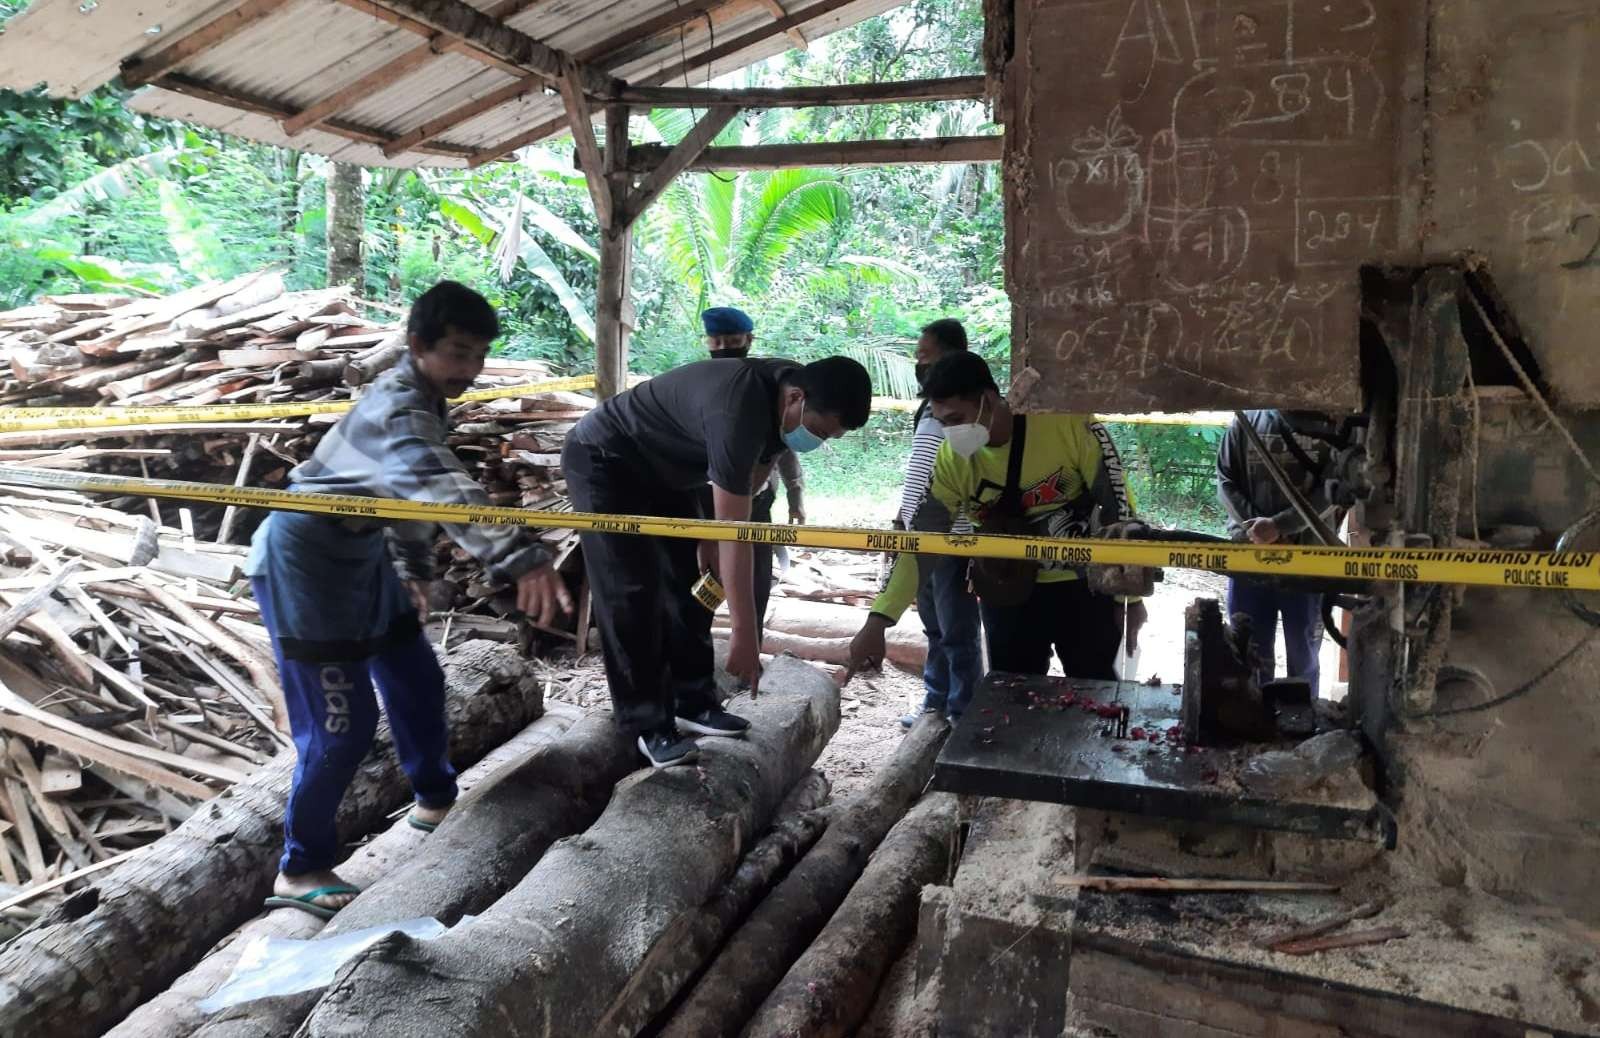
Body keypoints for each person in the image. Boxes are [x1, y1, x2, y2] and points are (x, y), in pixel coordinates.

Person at [247, 281, 571, 919]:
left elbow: (405, 495)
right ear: (418, 345)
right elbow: (440, 485)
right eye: (458, 353)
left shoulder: (423, 399)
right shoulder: (399, 406)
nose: (471, 370)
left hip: (363, 558)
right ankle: (301, 864)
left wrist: (413, 566)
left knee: (418, 679)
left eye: (479, 356)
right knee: (343, 729)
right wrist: (521, 558)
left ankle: (433, 802)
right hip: (305, 567)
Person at [564, 355, 872, 768]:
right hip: (606, 459)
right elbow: (738, 533)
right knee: (630, 591)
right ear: (796, 398)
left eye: (828, 437)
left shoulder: (789, 395)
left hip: (669, 472)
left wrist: (707, 534)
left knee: (691, 583)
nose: (818, 441)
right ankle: (646, 724)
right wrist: (745, 633)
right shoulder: (738, 409)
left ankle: (692, 701)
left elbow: (748, 487)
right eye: (818, 431)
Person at [848, 352, 1145, 684]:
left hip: (1082, 589)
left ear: (988, 400)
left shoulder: (1068, 425)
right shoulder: (951, 461)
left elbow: (1119, 509)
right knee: (1010, 697)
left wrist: (1128, 600)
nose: (949, 432)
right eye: (942, 422)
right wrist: (878, 621)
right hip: (1006, 592)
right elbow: (921, 543)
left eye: (956, 418)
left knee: (1095, 691)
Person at [1216, 410, 1348, 695]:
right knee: (1248, 647)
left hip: (1306, 562)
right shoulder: (1244, 422)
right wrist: (1258, 529)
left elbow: (1333, 488)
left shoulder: (1332, 424)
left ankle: (1302, 717)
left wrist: (1280, 526)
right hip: (1250, 559)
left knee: (1303, 650)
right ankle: (1253, 715)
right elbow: (1226, 481)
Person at [896, 318, 983, 727]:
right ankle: (936, 702)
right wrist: (903, 521)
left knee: (958, 632)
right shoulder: (928, 408)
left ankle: (964, 712)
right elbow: (919, 470)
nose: (920, 364)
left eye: (925, 356)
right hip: (920, 533)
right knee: (933, 627)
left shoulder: (968, 414)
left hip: (955, 540)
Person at [698, 306, 807, 631]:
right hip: (705, 494)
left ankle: (751, 640)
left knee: (756, 571)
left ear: (749, 339)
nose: (723, 349)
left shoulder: (767, 386)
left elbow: (783, 445)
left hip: (757, 496)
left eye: (731, 341)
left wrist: (795, 493)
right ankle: (701, 641)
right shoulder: (699, 381)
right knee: (703, 570)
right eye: (715, 342)